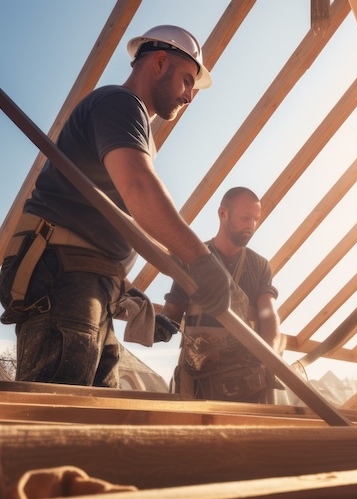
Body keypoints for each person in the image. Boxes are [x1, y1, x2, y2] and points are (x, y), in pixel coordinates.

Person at [0, 25, 231, 388]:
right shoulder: (120, 104)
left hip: (87, 284)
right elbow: (139, 187)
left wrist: (134, 302)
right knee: (59, 426)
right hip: (66, 280)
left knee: (94, 427)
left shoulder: (127, 120)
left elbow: (121, 226)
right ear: (158, 62)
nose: (189, 96)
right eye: (187, 80)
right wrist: (199, 258)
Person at [163, 187, 282, 403]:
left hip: (246, 380)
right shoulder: (192, 257)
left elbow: (268, 314)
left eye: (255, 220)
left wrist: (270, 357)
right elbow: (172, 313)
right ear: (223, 213)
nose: (252, 226)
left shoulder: (259, 266)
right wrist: (154, 324)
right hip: (198, 378)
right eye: (246, 218)